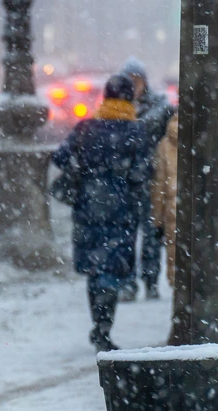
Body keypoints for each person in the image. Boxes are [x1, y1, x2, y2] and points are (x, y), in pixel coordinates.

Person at [53, 75, 150, 352]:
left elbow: (59, 157)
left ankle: (98, 323)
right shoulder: (136, 132)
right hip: (121, 211)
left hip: (87, 208)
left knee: (96, 269)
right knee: (112, 269)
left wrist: (84, 170)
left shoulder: (86, 128)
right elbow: (143, 172)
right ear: (130, 99)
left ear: (105, 98)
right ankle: (103, 329)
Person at [117, 57, 176, 301]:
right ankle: (129, 283)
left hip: (153, 181)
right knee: (126, 235)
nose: (133, 85)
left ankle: (150, 281)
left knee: (152, 233)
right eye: (129, 80)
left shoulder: (159, 109)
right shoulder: (117, 109)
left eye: (136, 80)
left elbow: (171, 135)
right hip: (126, 182)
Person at [150, 112, 179, 288]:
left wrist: (157, 219)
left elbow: (159, 184)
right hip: (200, 211)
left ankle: (180, 309)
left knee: (176, 261)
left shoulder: (165, 144)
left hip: (173, 210)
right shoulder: (206, 137)